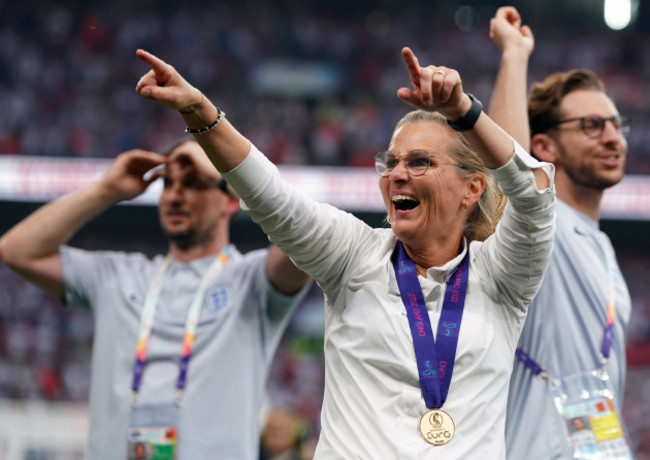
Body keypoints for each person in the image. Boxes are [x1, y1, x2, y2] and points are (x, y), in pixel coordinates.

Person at [135, 44, 555, 459]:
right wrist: (201, 112)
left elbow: (535, 197)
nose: (397, 175)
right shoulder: (354, 254)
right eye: (390, 162)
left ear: (472, 188)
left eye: (420, 162)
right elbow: (273, 199)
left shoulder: (502, 276)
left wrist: (465, 112)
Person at [0, 138, 310, 459]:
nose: (175, 195)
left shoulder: (253, 280)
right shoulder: (118, 275)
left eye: (192, 183)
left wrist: (228, 163)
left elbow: (305, 234)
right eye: (168, 183)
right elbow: (17, 251)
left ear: (230, 199)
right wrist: (105, 190)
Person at [489, 6, 633, 459]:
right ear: (544, 146)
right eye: (592, 126)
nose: (613, 137)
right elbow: (511, 175)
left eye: (615, 124)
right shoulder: (544, 225)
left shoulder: (603, 245)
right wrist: (514, 55)